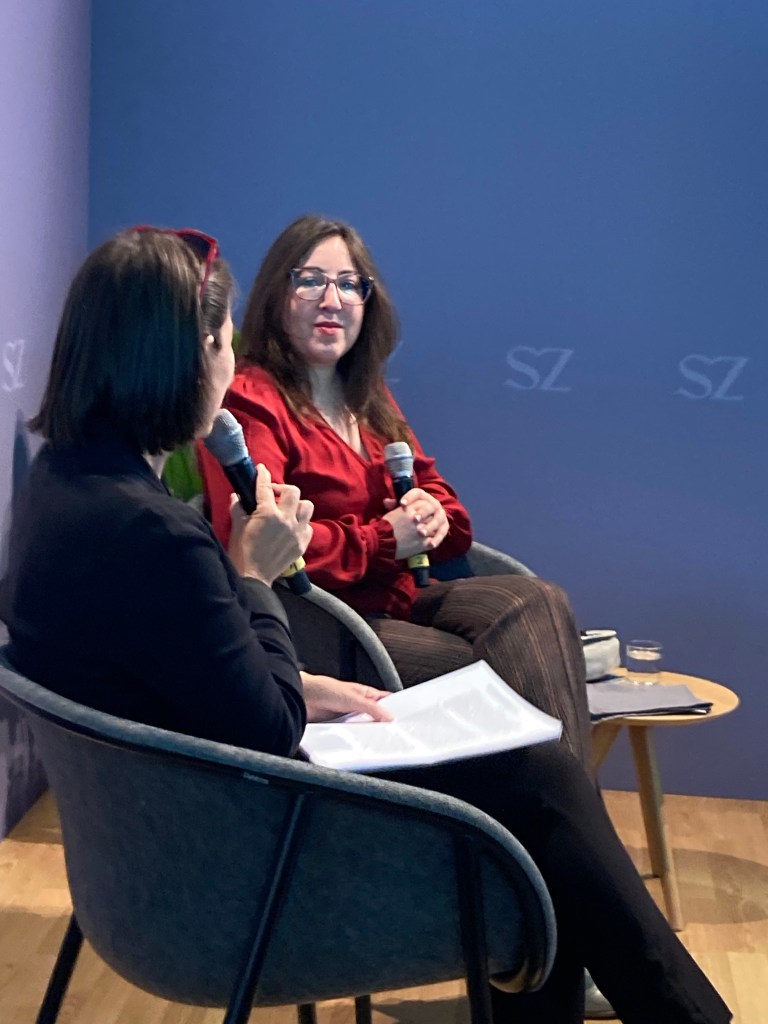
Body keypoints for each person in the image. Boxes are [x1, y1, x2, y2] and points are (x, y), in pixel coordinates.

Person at [0, 228, 730, 1024]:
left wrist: (298, 677)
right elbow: (264, 725)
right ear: (187, 355)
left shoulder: (63, 489)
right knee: (540, 778)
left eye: (350, 284)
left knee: (534, 669)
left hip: (163, 838)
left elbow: (178, 665)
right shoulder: (155, 530)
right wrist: (256, 575)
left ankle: (590, 980)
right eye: (223, 340)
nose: (229, 361)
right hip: (243, 850)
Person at [198, 214, 593, 768]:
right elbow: (266, 539)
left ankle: (552, 810)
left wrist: (432, 517)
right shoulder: (251, 398)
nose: (331, 300)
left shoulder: (368, 397)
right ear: (275, 295)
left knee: (538, 602)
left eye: (348, 284)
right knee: (497, 671)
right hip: (319, 622)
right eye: (310, 281)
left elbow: (447, 515)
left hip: (399, 603)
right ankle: (554, 814)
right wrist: (386, 540)